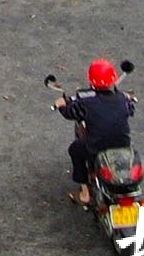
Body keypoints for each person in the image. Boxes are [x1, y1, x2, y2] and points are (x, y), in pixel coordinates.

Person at [56, 59, 136, 206]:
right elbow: (130, 110)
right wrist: (126, 98)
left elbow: (69, 112)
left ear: (91, 81)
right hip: (123, 146)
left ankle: (85, 193)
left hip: (96, 148)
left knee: (75, 150)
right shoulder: (122, 100)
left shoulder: (86, 103)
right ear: (113, 78)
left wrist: (60, 105)